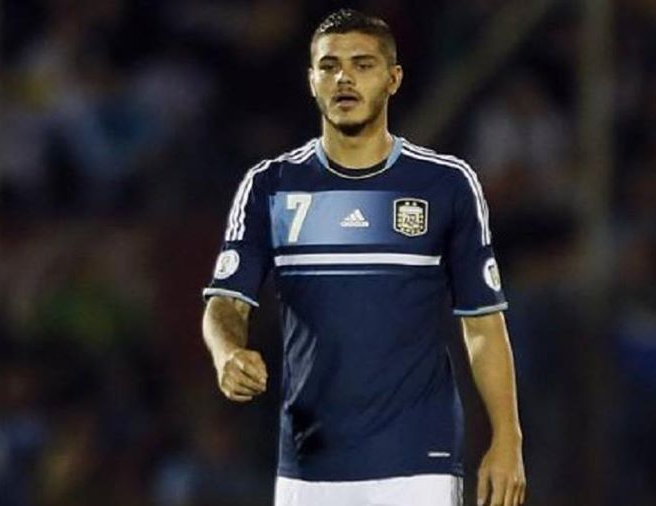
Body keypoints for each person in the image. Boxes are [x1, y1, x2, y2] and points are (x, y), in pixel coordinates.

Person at [201, 8, 526, 506]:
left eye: (363, 64)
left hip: (419, 463)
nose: (344, 78)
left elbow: (482, 323)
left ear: (393, 79)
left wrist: (507, 440)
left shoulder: (446, 184)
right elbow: (225, 302)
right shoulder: (271, 186)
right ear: (311, 81)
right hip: (308, 465)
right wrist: (227, 353)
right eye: (329, 66)